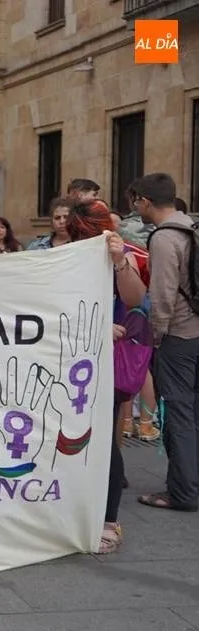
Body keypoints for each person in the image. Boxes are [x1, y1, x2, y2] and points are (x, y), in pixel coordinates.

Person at [65, 198, 147, 552]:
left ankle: (109, 518)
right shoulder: (62, 256)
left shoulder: (126, 255)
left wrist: (118, 262)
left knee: (104, 441)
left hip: (108, 363)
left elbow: (136, 298)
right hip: (70, 359)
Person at [130, 173, 199, 512]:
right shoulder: (193, 228)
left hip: (177, 337)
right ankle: (190, 484)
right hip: (198, 333)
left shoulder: (163, 238)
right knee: (193, 413)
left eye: (136, 201)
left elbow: (163, 297)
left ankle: (183, 493)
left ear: (144, 200)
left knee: (178, 415)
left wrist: (155, 339)